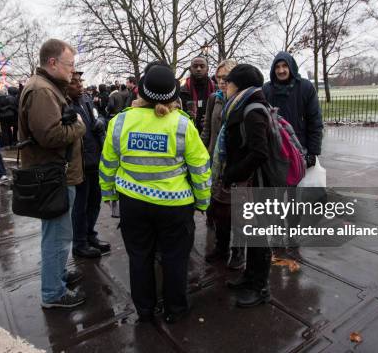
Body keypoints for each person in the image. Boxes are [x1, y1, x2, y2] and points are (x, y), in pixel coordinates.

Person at [99, 64, 211, 324]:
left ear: (141, 91)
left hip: (133, 204)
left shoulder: (120, 122)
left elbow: (108, 164)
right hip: (175, 207)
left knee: (139, 258)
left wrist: (109, 195)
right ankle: (176, 309)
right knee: (175, 260)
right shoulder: (182, 125)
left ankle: (145, 311)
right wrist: (203, 201)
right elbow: (200, 168)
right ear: (173, 95)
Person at [18, 38, 87, 309]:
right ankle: (53, 293)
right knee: (57, 236)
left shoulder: (47, 88)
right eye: (70, 64)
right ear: (52, 62)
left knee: (59, 234)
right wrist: (79, 126)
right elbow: (51, 136)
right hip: (52, 176)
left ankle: (57, 277)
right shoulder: (42, 91)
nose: (73, 70)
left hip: (57, 175)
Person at [214, 64, 272, 308]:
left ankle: (260, 287)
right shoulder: (241, 106)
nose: (225, 86)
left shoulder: (252, 110)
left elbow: (260, 152)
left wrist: (231, 174)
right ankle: (250, 278)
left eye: (229, 82)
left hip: (257, 182)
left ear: (239, 85)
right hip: (247, 181)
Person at [201, 59, 245, 270]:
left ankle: (238, 251)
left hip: (237, 163)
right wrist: (203, 153)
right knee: (219, 208)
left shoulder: (242, 100)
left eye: (225, 78)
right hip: (215, 161)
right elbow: (208, 129)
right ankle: (221, 248)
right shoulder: (214, 99)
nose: (220, 82)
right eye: (218, 77)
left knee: (238, 210)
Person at [67, 71, 111, 258]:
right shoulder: (65, 104)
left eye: (80, 82)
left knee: (95, 201)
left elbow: (98, 115)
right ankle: (80, 243)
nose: (80, 85)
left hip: (95, 158)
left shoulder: (85, 99)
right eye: (75, 83)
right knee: (81, 205)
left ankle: (90, 234)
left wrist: (101, 121)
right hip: (80, 162)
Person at [262, 51, 322, 169]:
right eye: (277, 67)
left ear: (291, 67)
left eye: (285, 66)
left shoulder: (305, 87)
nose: (281, 70)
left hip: (300, 146)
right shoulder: (266, 89)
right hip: (275, 149)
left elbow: (315, 121)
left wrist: (313, 152)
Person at [180, 56, 216, 131]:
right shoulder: (181, 91)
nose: (198, 69)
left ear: (207, 69)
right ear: (190, 69)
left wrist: (211, 117)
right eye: (195, 66)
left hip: (210, 132)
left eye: (202, 66)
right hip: (188, 130)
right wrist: (186, 115)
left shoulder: (217, 90)